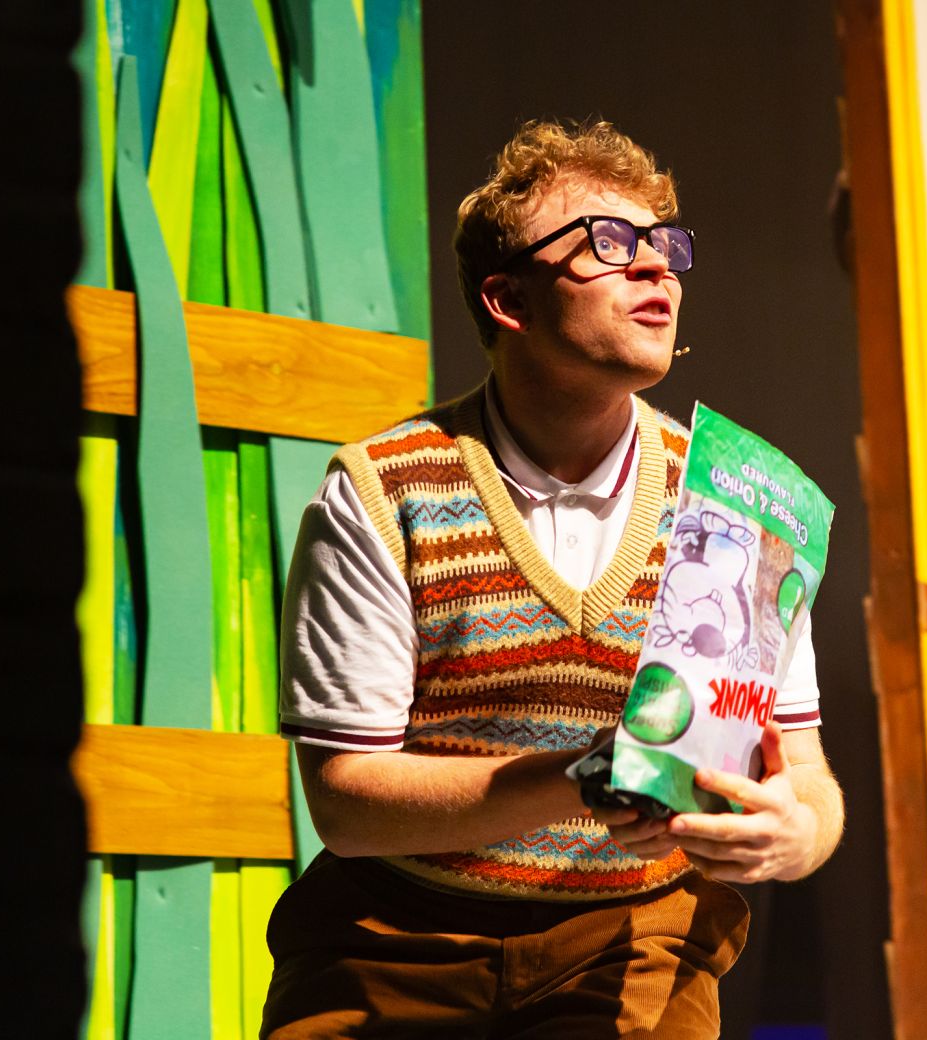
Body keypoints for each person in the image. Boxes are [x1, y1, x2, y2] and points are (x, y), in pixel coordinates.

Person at [262, 119, 845, 1039]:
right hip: (394, 942)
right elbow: (344, 801)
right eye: (610, 246)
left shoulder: (738, 503)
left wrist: (793, 837)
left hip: (635, 941)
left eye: (666, 248)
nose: (657, 271)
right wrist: (583, 777)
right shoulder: (386, 489)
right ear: (508, 299)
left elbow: (806, 778)